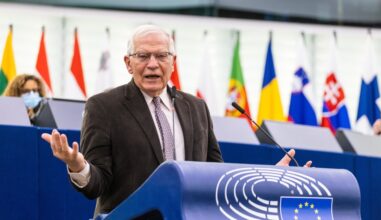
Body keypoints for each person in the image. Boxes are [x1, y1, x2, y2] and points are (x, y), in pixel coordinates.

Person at [41, 24, 311, 217]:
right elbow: (97, 184)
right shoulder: (104, 106)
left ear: (173, 62)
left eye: (161, 56)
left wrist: (269, 179)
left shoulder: (197, 108)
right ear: (128, 63)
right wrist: (78, 166)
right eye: (143, 56)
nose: (153, 64)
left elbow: (215, 178)